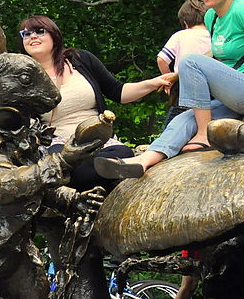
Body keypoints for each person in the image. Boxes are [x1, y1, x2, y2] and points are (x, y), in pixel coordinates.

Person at [95, 0, 244, 178]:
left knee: (190, 61)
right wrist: (176, 76)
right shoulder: (211, 17)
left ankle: (203, 135)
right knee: (183, 118)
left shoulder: (242, 10)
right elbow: (215, 58)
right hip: (232, 95)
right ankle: (142, 161)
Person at [18, 15, 171, 189]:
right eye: (26, 34)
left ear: (54, 35)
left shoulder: (80, 59)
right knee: (59, 169)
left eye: (39, 31)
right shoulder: (22, 79)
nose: (32, 37)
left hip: (98, 140)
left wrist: (153, 83)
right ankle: (105, 172)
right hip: (59, 145)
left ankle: (103, 170)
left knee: (123, 152)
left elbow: (118, 92)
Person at [157, 0, 213, 128]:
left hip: (184, 86)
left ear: (185, 22)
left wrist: (169, 80)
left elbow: (162, 59)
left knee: (175, 122)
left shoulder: (180, 35)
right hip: (210, 87)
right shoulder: (214, 35)